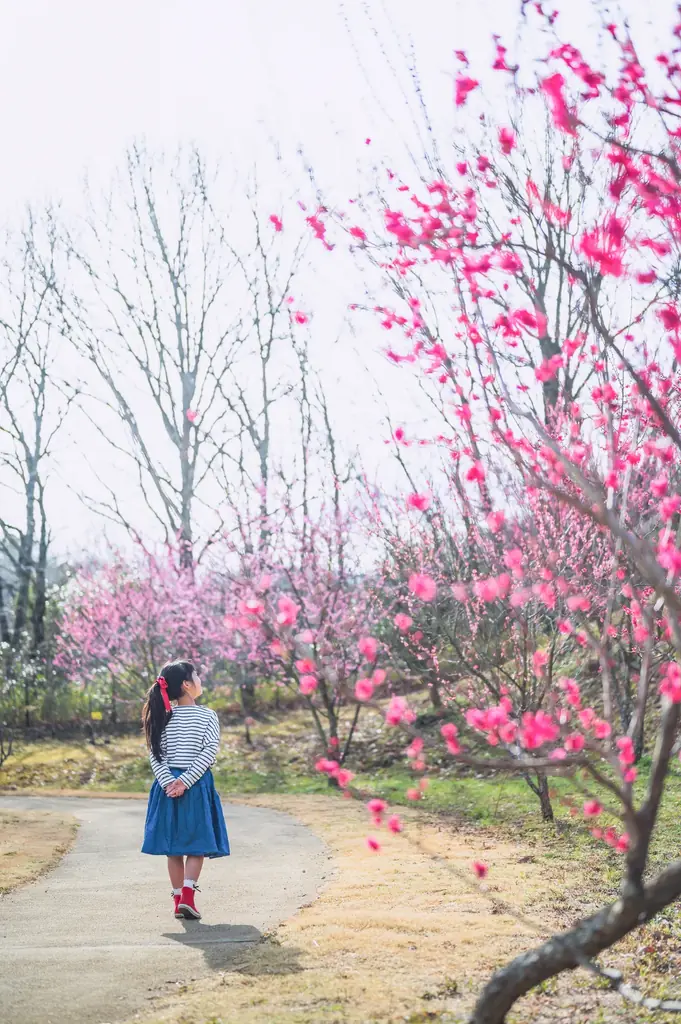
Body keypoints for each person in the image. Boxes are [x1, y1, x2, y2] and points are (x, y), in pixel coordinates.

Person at [141, 660, 230, 920]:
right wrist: (186, 781)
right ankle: (188, 897)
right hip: (196, 786)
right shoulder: (208, 715)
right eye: (197, 676)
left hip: (167, 788)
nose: (200, 680)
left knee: (173, 847)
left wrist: (169, 782)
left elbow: (156, 754)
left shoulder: (162, 717)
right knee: (196, 844)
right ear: (187, 685)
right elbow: (209, 751)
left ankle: (178, 899)